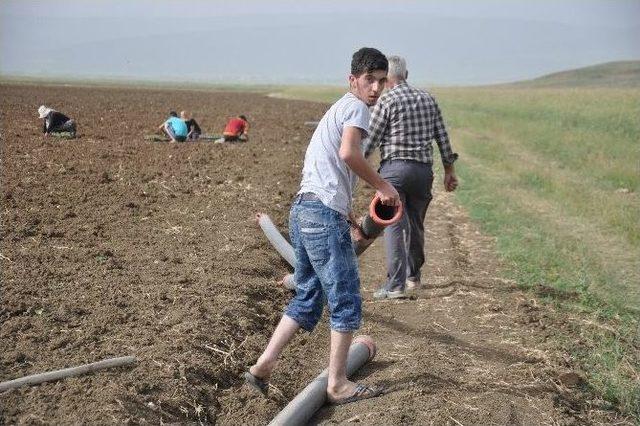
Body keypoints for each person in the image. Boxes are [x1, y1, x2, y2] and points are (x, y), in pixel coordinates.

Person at [244, 48, 400, 406]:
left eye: (380, 81)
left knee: (309, 296)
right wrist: (382, 186)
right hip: (320, 215)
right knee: (345, 298)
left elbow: (325, 162)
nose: (375, 88)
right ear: (353, 81)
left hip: (303, 210)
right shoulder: (356, 108)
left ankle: (262, 367)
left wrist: (341, 208)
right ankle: (337, 384)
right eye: (368, 80)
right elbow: (348, 154)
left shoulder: (338, 108)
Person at [363, 55, 459, 300]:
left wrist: (356, 163)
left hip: (395, 171)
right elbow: (442, 138)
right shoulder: (428, 99)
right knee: (416, 223)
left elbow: (370, 140)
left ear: (387, 78)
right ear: (407, 74)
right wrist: (449, 170)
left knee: (394, 223)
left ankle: (395, 285)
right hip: (422, 172)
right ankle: (413, 277)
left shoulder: (387, 101)